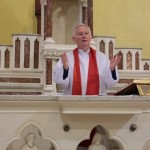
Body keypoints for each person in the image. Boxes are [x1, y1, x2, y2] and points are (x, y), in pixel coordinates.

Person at [53, 23, 121, 95]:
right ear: (74, 39)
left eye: (86, 33)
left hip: (96, 103)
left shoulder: (101, 58)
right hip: (73, 103)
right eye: (80, 34)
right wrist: (65, 68)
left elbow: (110, 84)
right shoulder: (67, 57)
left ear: (91, 37)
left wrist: (112, 69)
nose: (84, 36)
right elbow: (61, 82)